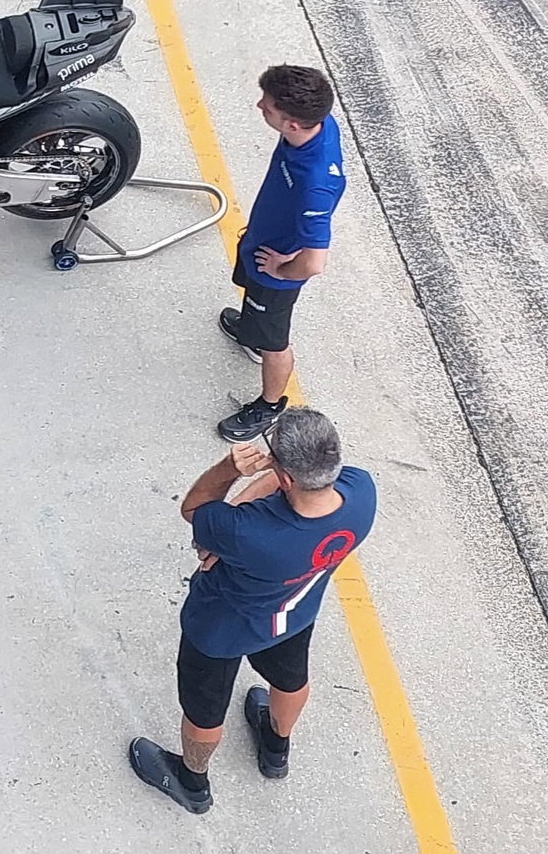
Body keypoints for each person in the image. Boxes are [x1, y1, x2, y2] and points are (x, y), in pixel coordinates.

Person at [129, 407, 377, 814]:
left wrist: (229, 469)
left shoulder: (248, 533)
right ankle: (276, 748)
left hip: (220, 629)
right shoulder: (361, 493)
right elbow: (293, 488)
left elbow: (194, 509)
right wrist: (236, 524)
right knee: (291, 680)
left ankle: (192, 781)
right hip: (293, 614)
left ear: (283, 477)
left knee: (204, 711)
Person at [216, 65, 347, 443]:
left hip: (274, 271)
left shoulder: (315, 186)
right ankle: (251, 332)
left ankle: (270, 404)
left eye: (268, 107)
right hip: (260, 238)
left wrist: (281, 268)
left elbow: (314, 262)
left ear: (292, 125)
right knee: (251, 302)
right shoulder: (316, 122)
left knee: (276, 340)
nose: (260, 106)